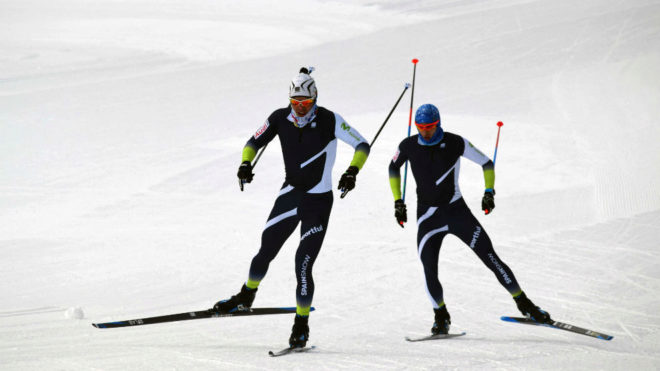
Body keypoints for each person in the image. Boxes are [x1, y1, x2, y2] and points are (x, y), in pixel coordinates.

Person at [213, 67, 370, 348]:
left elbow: (362, 145)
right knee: (265, 250)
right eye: (295, 103)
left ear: (315, 99)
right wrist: (245, 163)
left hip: (318, 202)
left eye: (305, 104)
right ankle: (246, 296)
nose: (299, 109)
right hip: (290, 194)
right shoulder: (279, 117)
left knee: (302, 264)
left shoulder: (329, 119)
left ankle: (301, 325)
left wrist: (352, 171)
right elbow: (253, 142)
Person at [388, 103, 551, 335]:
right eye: (421, 127)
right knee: (428, 270)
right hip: (428, 218)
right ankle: (441, 316)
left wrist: (489, 192)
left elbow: (487, 163)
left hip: (457, 213)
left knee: (491, 258)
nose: (426, 131)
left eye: (431, 127)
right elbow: (393, 168)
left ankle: (525, 304)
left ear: (438, 123)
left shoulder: (456, 142)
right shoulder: (408, 145)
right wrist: (398, 201)